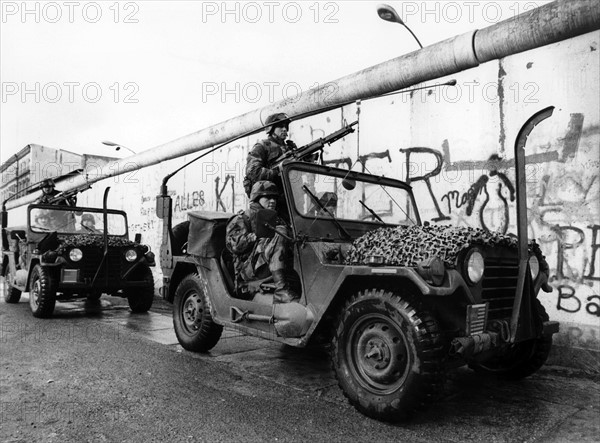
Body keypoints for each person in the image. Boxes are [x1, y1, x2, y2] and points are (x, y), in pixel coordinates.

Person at [225, 181, 299, 303]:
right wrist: (256, 236)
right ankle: (281, 290)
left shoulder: (277, 219)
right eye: (268, 197)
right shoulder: (242, 218)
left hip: (267, 265)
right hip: (247, 271)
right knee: (280, 231)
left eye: (274, 198)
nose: (273, 201)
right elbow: (234, 246)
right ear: (257, 198)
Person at [243, 113, 295, 198]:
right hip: (270, 198)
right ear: (271, 128)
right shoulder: (262, 147)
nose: (284, 129)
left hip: (291, 198)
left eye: (286, 126)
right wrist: (278, 171)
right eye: (281, 126)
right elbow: (253, 172)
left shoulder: (290, 148)